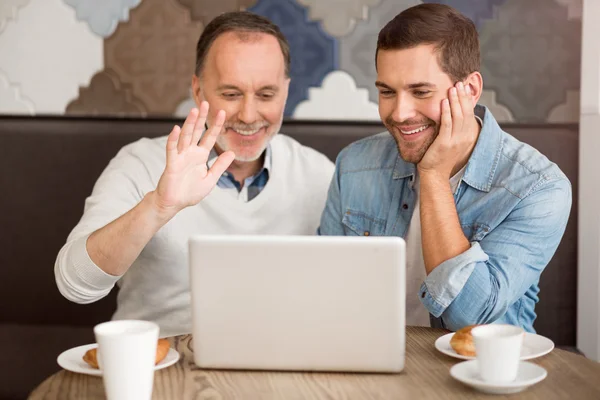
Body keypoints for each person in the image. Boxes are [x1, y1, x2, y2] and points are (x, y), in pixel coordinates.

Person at [55, 11, 334, 337]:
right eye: (230, 94)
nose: (248, 114)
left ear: (286, 91)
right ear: (198, 91)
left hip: (277, 367)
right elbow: (76, 285)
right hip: (162, 368)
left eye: (266, 95)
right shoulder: (140, 162)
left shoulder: (318, 174)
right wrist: (158, 207)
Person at [318, 3, 571, 333]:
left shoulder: (537, 188)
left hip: (481, 374)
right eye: (386, 92)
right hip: (370, 361)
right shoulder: (354, 165)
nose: (399, 113)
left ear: (470, 90)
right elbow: (325, 292)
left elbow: (472, 321)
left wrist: (434, 175)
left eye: (421, 91)